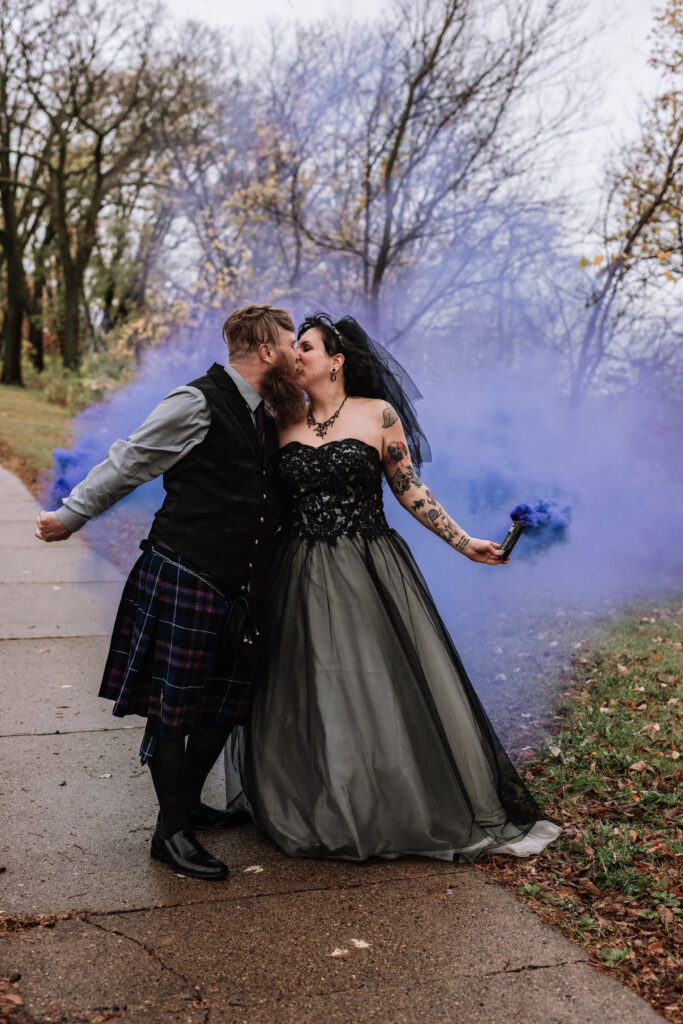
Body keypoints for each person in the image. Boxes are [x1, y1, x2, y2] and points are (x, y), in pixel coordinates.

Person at [237, 313, 563, 862]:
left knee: (374, 680)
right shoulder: (278, 419)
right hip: (297, 570)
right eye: (294, 348)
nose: (296, 355)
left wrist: (464, 542)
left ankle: (389, 801)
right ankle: (320, 799)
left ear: (336, 361)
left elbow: (410, 489)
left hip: (369, 566)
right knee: (305, 685)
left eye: (306, 347)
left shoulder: (377, 415)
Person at [35, 304, 302, 881]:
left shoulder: (267, 411)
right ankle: (171, 832)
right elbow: (130, 460)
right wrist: (71, 516)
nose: (298, 352)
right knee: (175, 707)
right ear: (265, 352)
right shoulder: (197, 401)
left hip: (238, 586)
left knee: (226, 702)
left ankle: (185, 805)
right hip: (185, 572)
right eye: (291, 342)